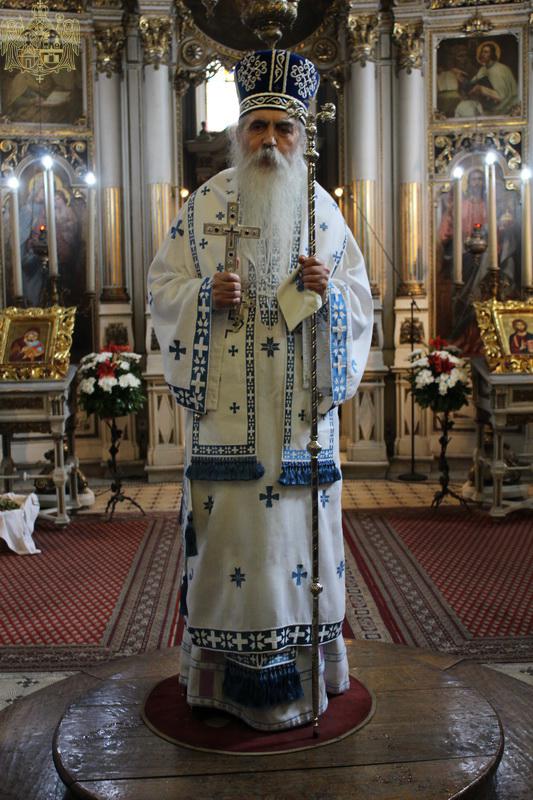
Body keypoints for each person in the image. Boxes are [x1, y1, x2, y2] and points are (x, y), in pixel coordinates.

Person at [148, 49, 373, 731]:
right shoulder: (204, 205)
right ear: (238, 133)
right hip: (227, 434)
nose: (269, 140)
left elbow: (358, 301)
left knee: (298, 555)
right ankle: (219, 684)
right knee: (231, 554)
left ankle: (308, 680)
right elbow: (162, 288)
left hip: (301, 433)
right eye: (258, 126)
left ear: (302, 135)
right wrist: (202, 295)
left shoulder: (323, 211)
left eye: (282, 127)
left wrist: (328, 296)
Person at [455, 40, 518, 118]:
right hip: (489, 106)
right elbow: (472, 82)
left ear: (492, 54)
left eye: (486, 52)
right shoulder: (484, 69)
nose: (482, 54)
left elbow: (502, 97)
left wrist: (481, 89)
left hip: (504, 108)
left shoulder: (498, 70)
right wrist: (462, 79)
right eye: (482, 52)